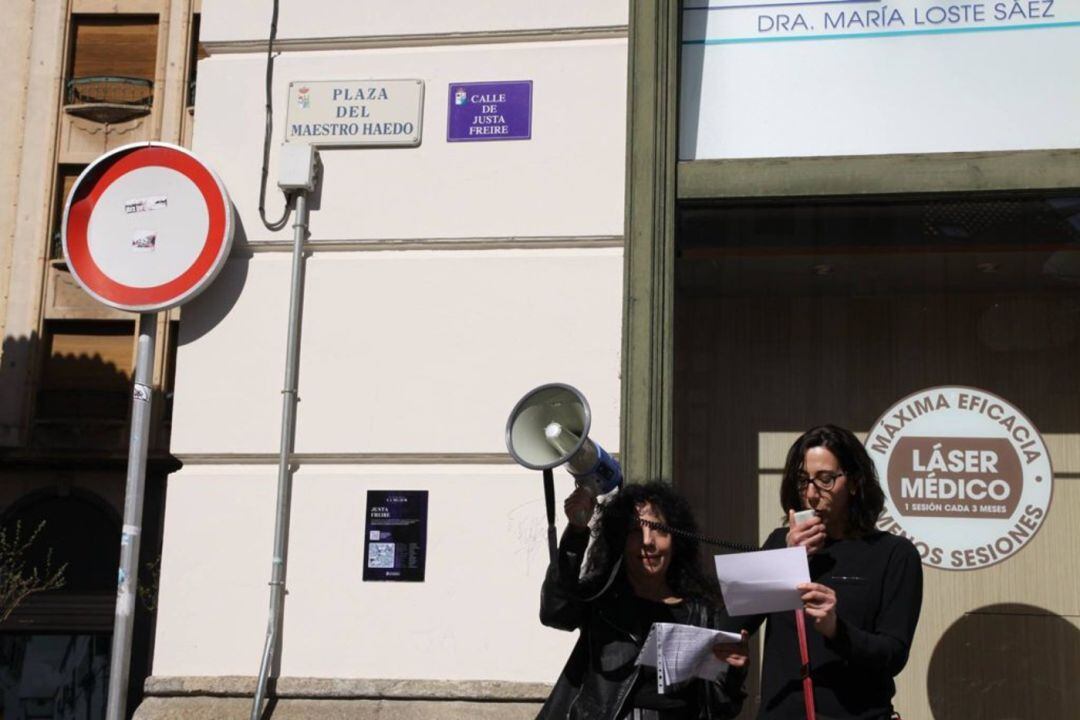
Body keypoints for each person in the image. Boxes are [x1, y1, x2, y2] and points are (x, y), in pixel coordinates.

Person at [735, 425, 922, 720]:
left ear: (854, 482)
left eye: (825, 480)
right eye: (802, 481)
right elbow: (733, 622)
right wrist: (785, 557)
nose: (811, 494)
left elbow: (893, 654)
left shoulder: (893, 553)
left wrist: (837, 630)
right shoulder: (779, 542)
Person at [537, 481, 748, 720]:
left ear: (676, 539)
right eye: (636, 532)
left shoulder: (701, 612)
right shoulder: (602, 599)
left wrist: (733, 673)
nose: (648, 541)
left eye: (659, 529)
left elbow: (721, 709)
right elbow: (555, 613)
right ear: (620, 541)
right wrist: (575, 534)